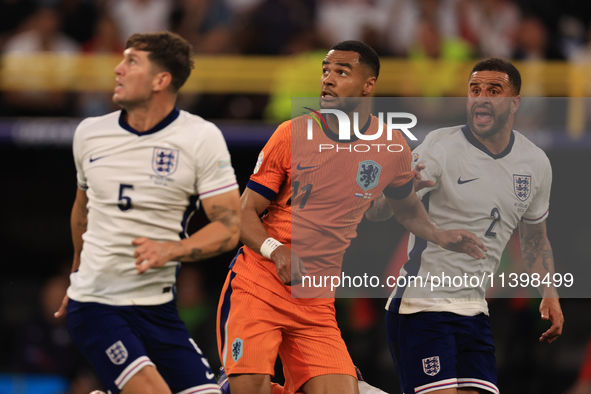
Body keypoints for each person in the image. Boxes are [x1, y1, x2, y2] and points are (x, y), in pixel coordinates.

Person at [216, 40, 487, 394]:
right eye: (325, 71)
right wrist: (275, 250)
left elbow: (401, 210)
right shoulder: (291, 134)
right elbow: (243, 211)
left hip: (315, 301)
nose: (327, 79)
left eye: (341, 72)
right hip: (259, 285)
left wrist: (440, 234)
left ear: (368, 85)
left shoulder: (392, 147)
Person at [54, 31, 241, 394]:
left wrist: (171, 249)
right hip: (97, 303)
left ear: (161, 80)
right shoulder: (90, 133)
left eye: (131, 61)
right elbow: (83, 210)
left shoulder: (200, 137)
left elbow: (229, 226)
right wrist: (77, 273)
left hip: (158, 309)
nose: (117, 69)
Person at [377, 58, 564, 394]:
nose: (482, 97)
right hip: (423, 305)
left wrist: (549, 291)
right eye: (475, 89)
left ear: (514, 102)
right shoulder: (440, 147)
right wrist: (407, 188)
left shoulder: (535, 162)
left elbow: (535, 238)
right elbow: (376, 211)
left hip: (475, 310)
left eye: (494, 90)